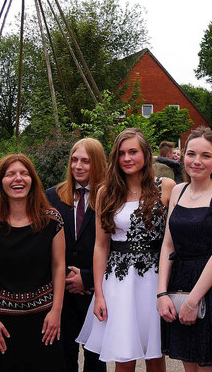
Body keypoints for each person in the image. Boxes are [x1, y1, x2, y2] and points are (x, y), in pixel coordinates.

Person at [77, 128, 175, 372]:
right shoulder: (106, 192)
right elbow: (101, 246)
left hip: (155, 280)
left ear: (146, 154)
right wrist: (99, 294)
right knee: (123, 357)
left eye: (133, 152)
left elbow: (173, 240)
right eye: (121, 153)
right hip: (119, 282)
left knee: (156, 355)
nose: (127, 158)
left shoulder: (166, 187)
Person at [158, 127, 212, 371]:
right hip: (179, 282)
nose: (196, 161)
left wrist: (193, 300)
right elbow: (168, 244)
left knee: (207, 364)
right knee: (189, 363)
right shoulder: (178, 190)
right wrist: (162, 293)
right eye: (191, 154)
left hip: (210, 286)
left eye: (205, 156)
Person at [0, 154, 66, 371]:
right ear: (0, 181)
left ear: (32, 179)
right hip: (1, 324)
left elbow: (59, 266)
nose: (18, 178)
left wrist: (56, 311)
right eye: (10, 174)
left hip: (45, 321)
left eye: (24, 173)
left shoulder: (52, 220)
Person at [45, 138, 107, 372]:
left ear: (98, 163)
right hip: (61, 293)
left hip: (95, 292)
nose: (78, 166)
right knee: (63, 358)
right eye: (74, 160)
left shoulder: (110, 196)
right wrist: (63, 278)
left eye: (86, 161)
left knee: (95, 360)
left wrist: (88, 278)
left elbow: (115, 245)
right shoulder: (53, 196)